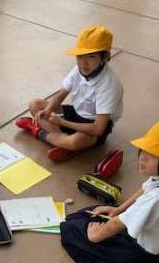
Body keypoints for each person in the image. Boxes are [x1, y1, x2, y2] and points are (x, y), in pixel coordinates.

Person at [60, 122, 159, 263]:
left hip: (147, 254)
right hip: (149, 236)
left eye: (153, 155)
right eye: (144, 149)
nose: (143, 156)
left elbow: (115, 225)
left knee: (70, 229)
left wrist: (94, 236)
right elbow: (144, 189)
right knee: (89, 214)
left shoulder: (156, 198)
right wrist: (119, 209)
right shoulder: (156, 184)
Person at [16, 25, 124, 162]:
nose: (83, 63)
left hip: (93, 124)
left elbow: (98, 129)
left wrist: (62, 122)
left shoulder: (109, 84)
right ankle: (62, 143)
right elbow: (60, 95)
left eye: (91, 57)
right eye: (80, 56)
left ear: (106, 56)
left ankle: (37, 131)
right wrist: (48, 110)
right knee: (35, 104)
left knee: (76, 142)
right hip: (76, 113)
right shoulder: (78, 69)